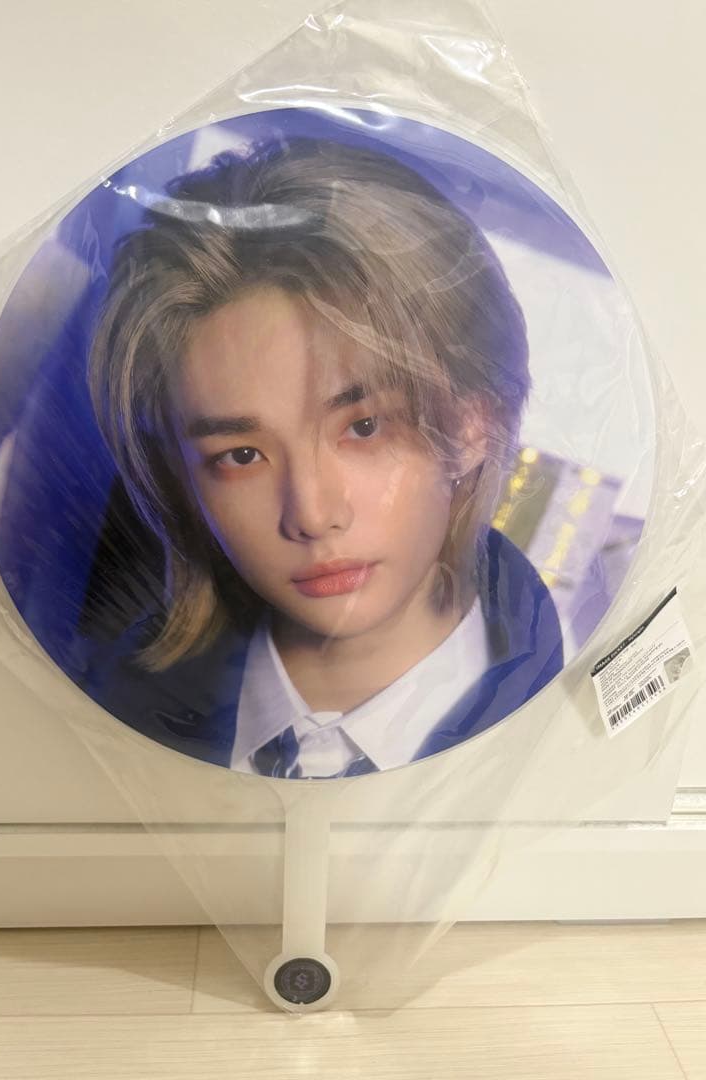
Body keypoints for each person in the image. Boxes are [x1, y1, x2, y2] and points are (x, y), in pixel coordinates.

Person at [84, 136, 563, 778]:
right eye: (241, 455)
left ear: (476, 422)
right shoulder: (97, 725)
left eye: (364, 427)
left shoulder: (578, 739)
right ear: (181, 478)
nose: (311, 514)